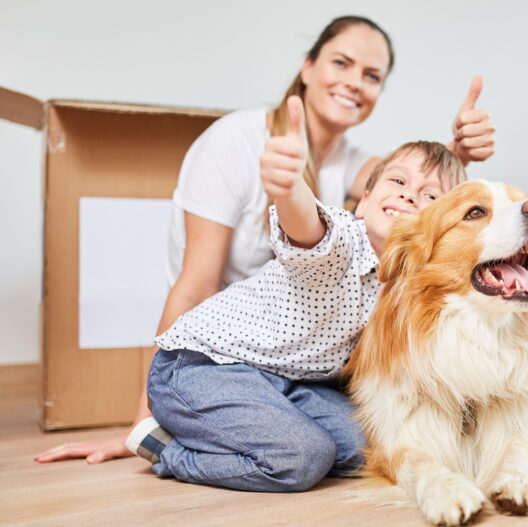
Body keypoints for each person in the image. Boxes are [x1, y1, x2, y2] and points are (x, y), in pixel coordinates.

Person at [35, 15, 495, 465]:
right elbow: (200, 284)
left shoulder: (355, 164)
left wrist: (460, 153)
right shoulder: (235, 143)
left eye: (371, 75)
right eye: (341, 63)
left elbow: (414, 196)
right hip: (223, 352)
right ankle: (194, 446)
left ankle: (279, 426)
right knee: (305, 455)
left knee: (371, 444)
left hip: (292, 367)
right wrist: (145, 421)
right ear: (308, 66)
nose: (355, 82)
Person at [129, 130, 466, 491]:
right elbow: (308, 226)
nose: (409, 194)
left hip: (288, 381)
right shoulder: (341, 245)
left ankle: (254, 430)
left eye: (429, 196)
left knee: (370, 445)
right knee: (301, 459)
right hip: (203, 365)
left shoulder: (413, 282)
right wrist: (290, 189)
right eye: (397, 180)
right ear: (364, 202)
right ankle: (168, 449)